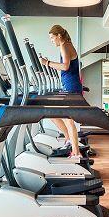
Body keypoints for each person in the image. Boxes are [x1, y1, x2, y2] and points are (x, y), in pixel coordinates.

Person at [39, 25, 84, 158]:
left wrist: (47, 63)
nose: (51, 41)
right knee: (52, 114)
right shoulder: (67, 45)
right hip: (70, 85)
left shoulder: (65, 46)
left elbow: (65, 66)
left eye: (52, 38)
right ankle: (69, 138)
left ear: (59, 36)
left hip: (71, 86)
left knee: (68, 119)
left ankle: (76, 152)